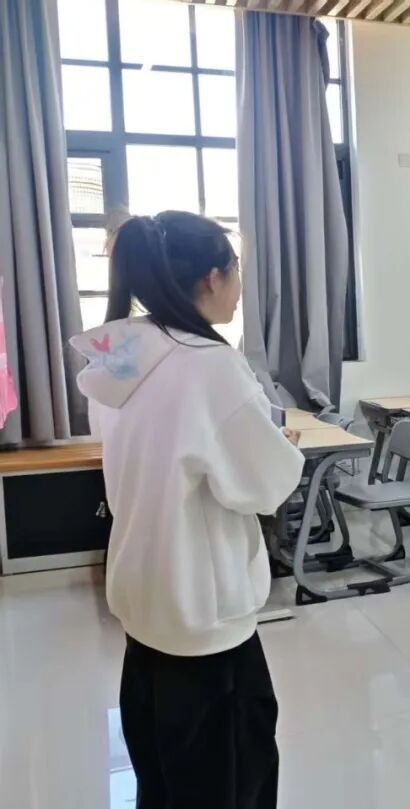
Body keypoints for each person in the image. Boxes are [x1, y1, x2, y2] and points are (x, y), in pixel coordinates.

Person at [71, 211, 305, 808]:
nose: (240, 286)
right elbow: (266, 484)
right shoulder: (209, 364)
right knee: (229, 784)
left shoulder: (121, 357)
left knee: (162, 780)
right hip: (205, 618)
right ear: (211, 277)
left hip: (144, 603)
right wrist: (277, 446)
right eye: (236, 270)